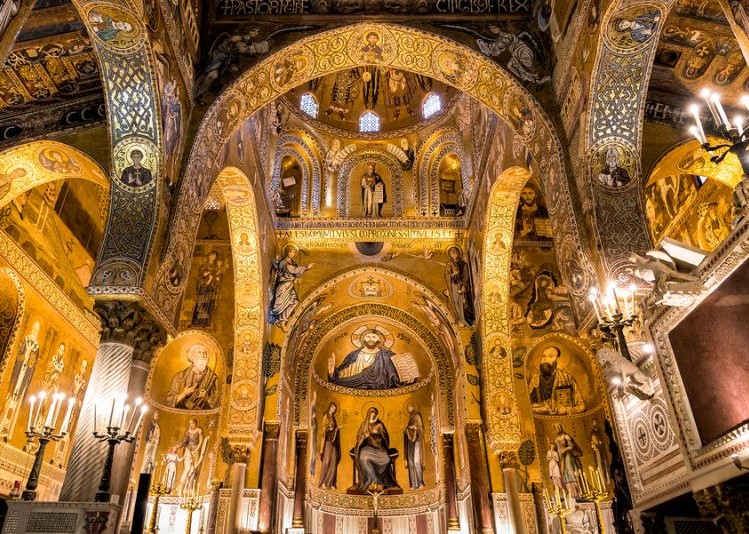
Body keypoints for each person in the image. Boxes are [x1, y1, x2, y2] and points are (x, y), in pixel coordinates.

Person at [1, 321, 41, 436]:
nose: (34, 332)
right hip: (18, 373)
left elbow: (32, 365)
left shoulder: (36, 347)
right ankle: (2, 425)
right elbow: (18, 357)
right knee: (10, 397)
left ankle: (8, 431)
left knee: (17, 401)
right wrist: (24, 356)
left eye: (36, 331)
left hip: (24, 376)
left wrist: (29, 361)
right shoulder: (26, 340)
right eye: (34, 329)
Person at [329, 329, 402, 390]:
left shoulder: (386, 356)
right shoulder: (353, 355)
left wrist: (404, 379)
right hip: (353, 387)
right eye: (368, 337)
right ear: (363, 339)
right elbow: (342, 373)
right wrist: (332, 373)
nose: (370, 339)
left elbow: (394, 375)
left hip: (381, 388)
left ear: (380, 339)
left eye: (374, 337)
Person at [268, 244, 314, 331]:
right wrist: (306, 267)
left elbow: (295, 273)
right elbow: (292, 270)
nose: (292, 254)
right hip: (284, 285)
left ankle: (282, 320)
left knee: (295, 302)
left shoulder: (293, 263)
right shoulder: (284, 262)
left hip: (290, 285)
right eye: (290, 252)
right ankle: (281, 320)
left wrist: (297, 278)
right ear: (287, 252)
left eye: (294, 252)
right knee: (281, 304)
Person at [528, 346, 585, 415]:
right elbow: (526, 406)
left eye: (551, 356)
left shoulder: (568, 379)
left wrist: (566, 410)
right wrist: (538, 409)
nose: (545, 360)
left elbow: (581, 406)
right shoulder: (534, 381)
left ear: (557, 359)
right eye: (543, 356)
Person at [354, 408, 398, 492]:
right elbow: (359, 437)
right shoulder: (364, 424)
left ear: (376, 414)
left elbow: (385, 438)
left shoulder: (379, 425)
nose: (372, 415)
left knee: (386, 459)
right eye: (371, 413)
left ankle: (375, 478)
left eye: (374, 413)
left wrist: (377, 440)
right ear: (368, 414)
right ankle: (372, 479)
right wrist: (365, 437)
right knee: (363, 456)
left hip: (379, 448)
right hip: (367, 448)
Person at [166, 343, 219, 410]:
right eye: (199, 352)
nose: (202, 355)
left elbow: (215, 405)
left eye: (204, 353)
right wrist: (183, 394)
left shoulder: (213, 378)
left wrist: (207, 398)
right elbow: (169, 402)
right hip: (180, 413)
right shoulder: (180, 376)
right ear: (193, 356)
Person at [444, 246, 476, 327]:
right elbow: (447, 275)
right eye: (452, 253)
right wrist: (453, 275)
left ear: (458, 253)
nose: (454, 254)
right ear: (450, 255)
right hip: (454, 286)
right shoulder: (449, 264)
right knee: (456, 302)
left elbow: (466, 275)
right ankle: (459, 319)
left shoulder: (463, 264)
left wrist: (464, 285)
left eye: (455, 252)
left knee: (463, 302)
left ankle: (466, 319)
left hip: (461, 285)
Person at [191, 250, 224, 327]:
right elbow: (199, 277)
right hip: (203, 288)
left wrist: (217, 278)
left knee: (208, 305)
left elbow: (218, 276)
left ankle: (205, 323)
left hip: (211, 289)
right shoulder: (204, 266)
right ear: (209, 256)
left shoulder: (216, 267)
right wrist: (205, 275)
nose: (213, 257)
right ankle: (196, 322)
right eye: (212, 255)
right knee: (201, 304)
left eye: (214, 256)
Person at [554, 423, 583, 496]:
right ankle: (569, 491)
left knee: (570, 471)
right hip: (562, 458)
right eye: (555, 428)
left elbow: (571, 446)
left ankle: (576, 491)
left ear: (560, 428)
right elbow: (556, 449)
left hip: (568, 457)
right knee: (564, 472)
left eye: (557, 428)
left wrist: (565, 449)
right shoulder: (556, 439)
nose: (556, 429)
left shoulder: (566, 436)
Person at [178, 418, 206, 493]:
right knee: (187, 468)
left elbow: (201, 441)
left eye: (192, 423)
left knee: (194, 468)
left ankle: (190, 487)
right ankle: (181, 486)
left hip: (196, 450)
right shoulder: (188, 431)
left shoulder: (199, 430)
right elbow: (185, 440)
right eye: (189, 423)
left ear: (195, 423)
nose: (190, 425)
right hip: (188, 450)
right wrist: (179, 445)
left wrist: (196, 450)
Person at [318, 403, 341, 489]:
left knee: (333, 462)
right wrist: (330, 428)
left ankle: (331, 483)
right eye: (332, 408)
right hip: (327, 442)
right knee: (326, 461)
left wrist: (336, 429)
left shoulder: (333, 418)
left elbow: (334, 429)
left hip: (334, 443)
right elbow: (323, 428)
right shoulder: (326, 416)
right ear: (329, 407)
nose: (333, 409)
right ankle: (323, 482)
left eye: (335, 408)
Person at [403, 403, 425, 489]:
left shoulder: (417, 416)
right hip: (410, 442)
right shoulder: (410, 419)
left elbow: (421, 429)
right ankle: (413, 484)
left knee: (416, 462)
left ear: (413, 407)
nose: (409, 409)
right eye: (408, 408)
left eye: (410, 407)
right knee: (411, 463)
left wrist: (415, 428)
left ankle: (420, 483)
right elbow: (408, 430)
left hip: (417, 440)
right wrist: (405, 430)